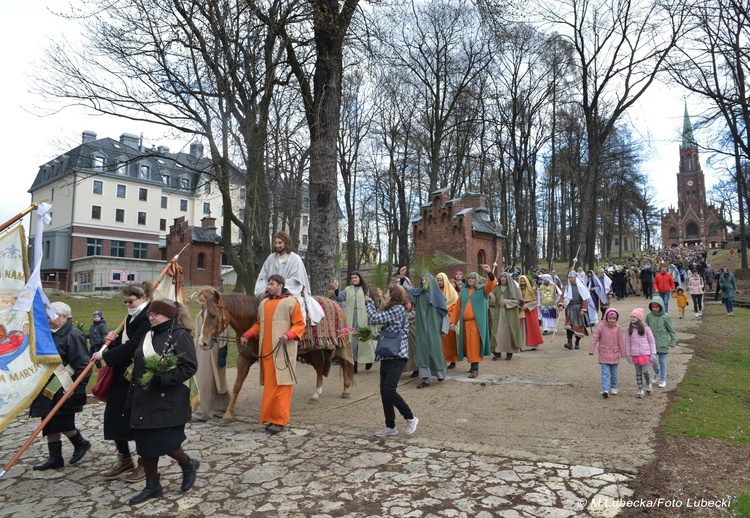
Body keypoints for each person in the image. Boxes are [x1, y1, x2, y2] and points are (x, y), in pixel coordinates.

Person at [127, 299, 199, 505]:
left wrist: (162, 379)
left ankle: (187, 464)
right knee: (145, 445)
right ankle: (153, 486)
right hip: (143, 398)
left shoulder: (179, 335)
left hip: (168, 400)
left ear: (169, 315)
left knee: (166, 443)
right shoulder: (148, 335)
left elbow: (189, 366)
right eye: (149, 314)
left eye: (155, 314)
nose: (151, 317)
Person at [91, 282, 153, 483]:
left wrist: (105, 356)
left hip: (139, 375)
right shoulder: (130, 316)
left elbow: (136, 345)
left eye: (131, 300)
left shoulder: (147, 317)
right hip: (123, 376)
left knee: (138, 422)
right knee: (114, 416)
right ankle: (125, 458)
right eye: (125, 301)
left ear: (142, 298)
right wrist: (113, 339)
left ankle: (145, 463)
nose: (127, 304)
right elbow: (126, 342)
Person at [29, 302, 91, 470]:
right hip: (48, 386)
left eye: (51, 316)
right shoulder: (47, 334)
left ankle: (81, 443)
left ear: (64, 317)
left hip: (64, 386)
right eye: (47, 316)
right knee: (48, 421)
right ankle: (55, 458)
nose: (48, 319)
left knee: (61, 421)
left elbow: (83, 365)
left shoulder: (74, 334)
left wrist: (78, 389)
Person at [241, 274, 306, 434]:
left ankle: (280, 420)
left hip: (283, 352)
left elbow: (299, 324)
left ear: (280, 286)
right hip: (267, 353)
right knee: (270, 388)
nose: (268, 286)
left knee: (282, 386)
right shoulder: (263, 304)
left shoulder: (291, 302)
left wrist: (289, 335)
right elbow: (258, 324)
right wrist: (247, 335)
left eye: (271, 284)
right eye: (268, 284)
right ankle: (270, 418)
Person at [364, 284, 419, 437]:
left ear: (393, 295)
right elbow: (392, 327)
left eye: (387, 292)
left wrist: (369, 302)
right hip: (387, 355)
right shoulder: (393, 310)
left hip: (397, 356)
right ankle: (390, 426)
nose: (385, 295)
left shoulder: (397, 309)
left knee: (389, 390)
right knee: (384, 392)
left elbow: (374, 318)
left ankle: (410, 417)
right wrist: (380, 334)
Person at [254, 231, 324, 323]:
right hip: (270, 294)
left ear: (286, 243)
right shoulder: (270, 258)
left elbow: (296, 281)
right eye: (275, 243)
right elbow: (262, 277)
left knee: (292, 311)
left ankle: (295, 332)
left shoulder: (295, 259)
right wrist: (265, 290)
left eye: (280, 243)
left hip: (289, 294)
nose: (277, 245)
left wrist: (278, 289)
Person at [191, 289, 230, 422]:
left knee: (208, 381)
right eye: (200, 300)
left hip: (212, 350)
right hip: (200, 350)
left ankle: (203, 412)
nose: (201, 303)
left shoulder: (216, 314)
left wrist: (222, 353)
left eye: (203, 300)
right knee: (204, 380)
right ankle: (217, 409)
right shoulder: (200, 315)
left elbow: (224, 332)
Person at [405, 273, 448, 388]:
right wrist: (403, 276)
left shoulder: (438, 296)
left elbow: (444, 314)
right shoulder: (418, 294)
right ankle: (425, 378)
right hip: (421, 329)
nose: (424, 281)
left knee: (435, 349)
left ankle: (440, 373)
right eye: (422, 279)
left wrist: (444, 328)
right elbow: (408, 289)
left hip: (434, 328)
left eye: (426, 279)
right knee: (422, 350)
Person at [331, 271, 376, 373]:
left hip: (364, 318)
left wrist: (371, 318)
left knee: (365, 341)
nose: (354, 279)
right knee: (353, 342)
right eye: (352, 278)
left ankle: (368, 360)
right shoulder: (348, 289)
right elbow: (340, 297)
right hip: (351, 319)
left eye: (356, 277)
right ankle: (354, 363)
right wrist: (336, 288)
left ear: (360, 278)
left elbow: (372, 303)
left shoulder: (366, 289)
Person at [456, 265, 496, 377]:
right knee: (467, 345)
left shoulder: (483, 291)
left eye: (473, 278)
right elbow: (457, 308)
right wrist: (451, 322)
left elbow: (492, 284)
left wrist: (489, 272)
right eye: (469, 278)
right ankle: (472, 366)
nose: (470, 280)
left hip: (475, 324)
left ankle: (475, 369)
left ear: (477, 279)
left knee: (474, 346)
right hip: (464, 324)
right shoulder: (463, 292)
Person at [588, 308, 626, 398]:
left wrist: (623, 353)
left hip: (615, 353)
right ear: (606, 317)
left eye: (614, 319)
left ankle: (614, 387)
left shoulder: (618, 328)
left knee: (614, 373)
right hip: (604, 353)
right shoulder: (601, 327)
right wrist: (591, 350)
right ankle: (605, 389)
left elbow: (620, 341)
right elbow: (595, 338)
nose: (612, 320)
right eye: (610, 318)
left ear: (616, 319)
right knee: (605, 373)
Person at [644, 297, 677, 389]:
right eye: (653, 307)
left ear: (661, 307)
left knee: (662, 362)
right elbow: (645, 329)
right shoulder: (649, 316)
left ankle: (663, 379)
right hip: (652, 344)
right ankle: (657, 373)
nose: (655, 309)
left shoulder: (665, 316)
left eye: (656, 307)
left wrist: (673, 340)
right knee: (653, 361)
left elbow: (671, 330)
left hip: (663, 343)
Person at [489, 271, 522, 360]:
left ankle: (509, 352)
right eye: (501, 277)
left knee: (508, 332)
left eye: (504, 277)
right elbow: (493, 301)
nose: (503, 279)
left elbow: (518, 301)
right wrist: (491, 295)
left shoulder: (512, 288)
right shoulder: (497, 288)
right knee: (497, 332)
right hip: (498, 313)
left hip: (509, 313)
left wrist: (507, 302)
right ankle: (497, 352)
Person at [625, 308, 657, 398]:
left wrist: (653, 353)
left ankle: (648, 384)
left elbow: (651, 341)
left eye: (634, 316)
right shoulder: (629, 329)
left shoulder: (646, 328)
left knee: (645, 371)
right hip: (635, 355)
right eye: (631, 316)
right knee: (638, 373)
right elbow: (627, 342)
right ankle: (640, 389)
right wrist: (628, 354)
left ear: (639, 318)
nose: (632, 318)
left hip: (645, 354)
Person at [557, 270, 591, 350]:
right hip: (569, 309)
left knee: (578, 325)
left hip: (578, 309)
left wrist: (583, 309)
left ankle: (577, 343)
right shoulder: (566, 288)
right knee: (568, 326)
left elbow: (585, 298)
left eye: (572, 277)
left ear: (575, 278)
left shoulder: (581, 287)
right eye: (569, 277)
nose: (570, 279)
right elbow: (562, 297)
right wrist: (561, 305)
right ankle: (569, 342)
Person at [436, 272, 460, 369]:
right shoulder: (435, 291)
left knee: (449, 341)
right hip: (438, 318)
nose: (439, 282)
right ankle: (441, 360)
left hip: (448, 318)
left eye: (441, 280)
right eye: (437, 280)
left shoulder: (452, 292)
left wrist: (451, 320)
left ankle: (452, 359)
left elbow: (456, 306)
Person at [517, 275, 543, 350]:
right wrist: (519, 306)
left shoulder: (532, 290)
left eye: (523, 281)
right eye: (521, 281)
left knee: (531, 327)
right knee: (521, 328)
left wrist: (527, 305)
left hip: (529, 311)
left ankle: (533, 345)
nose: (522, 283)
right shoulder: (516, 291)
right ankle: (521, 345)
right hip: (520, 311)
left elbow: (535, 301)